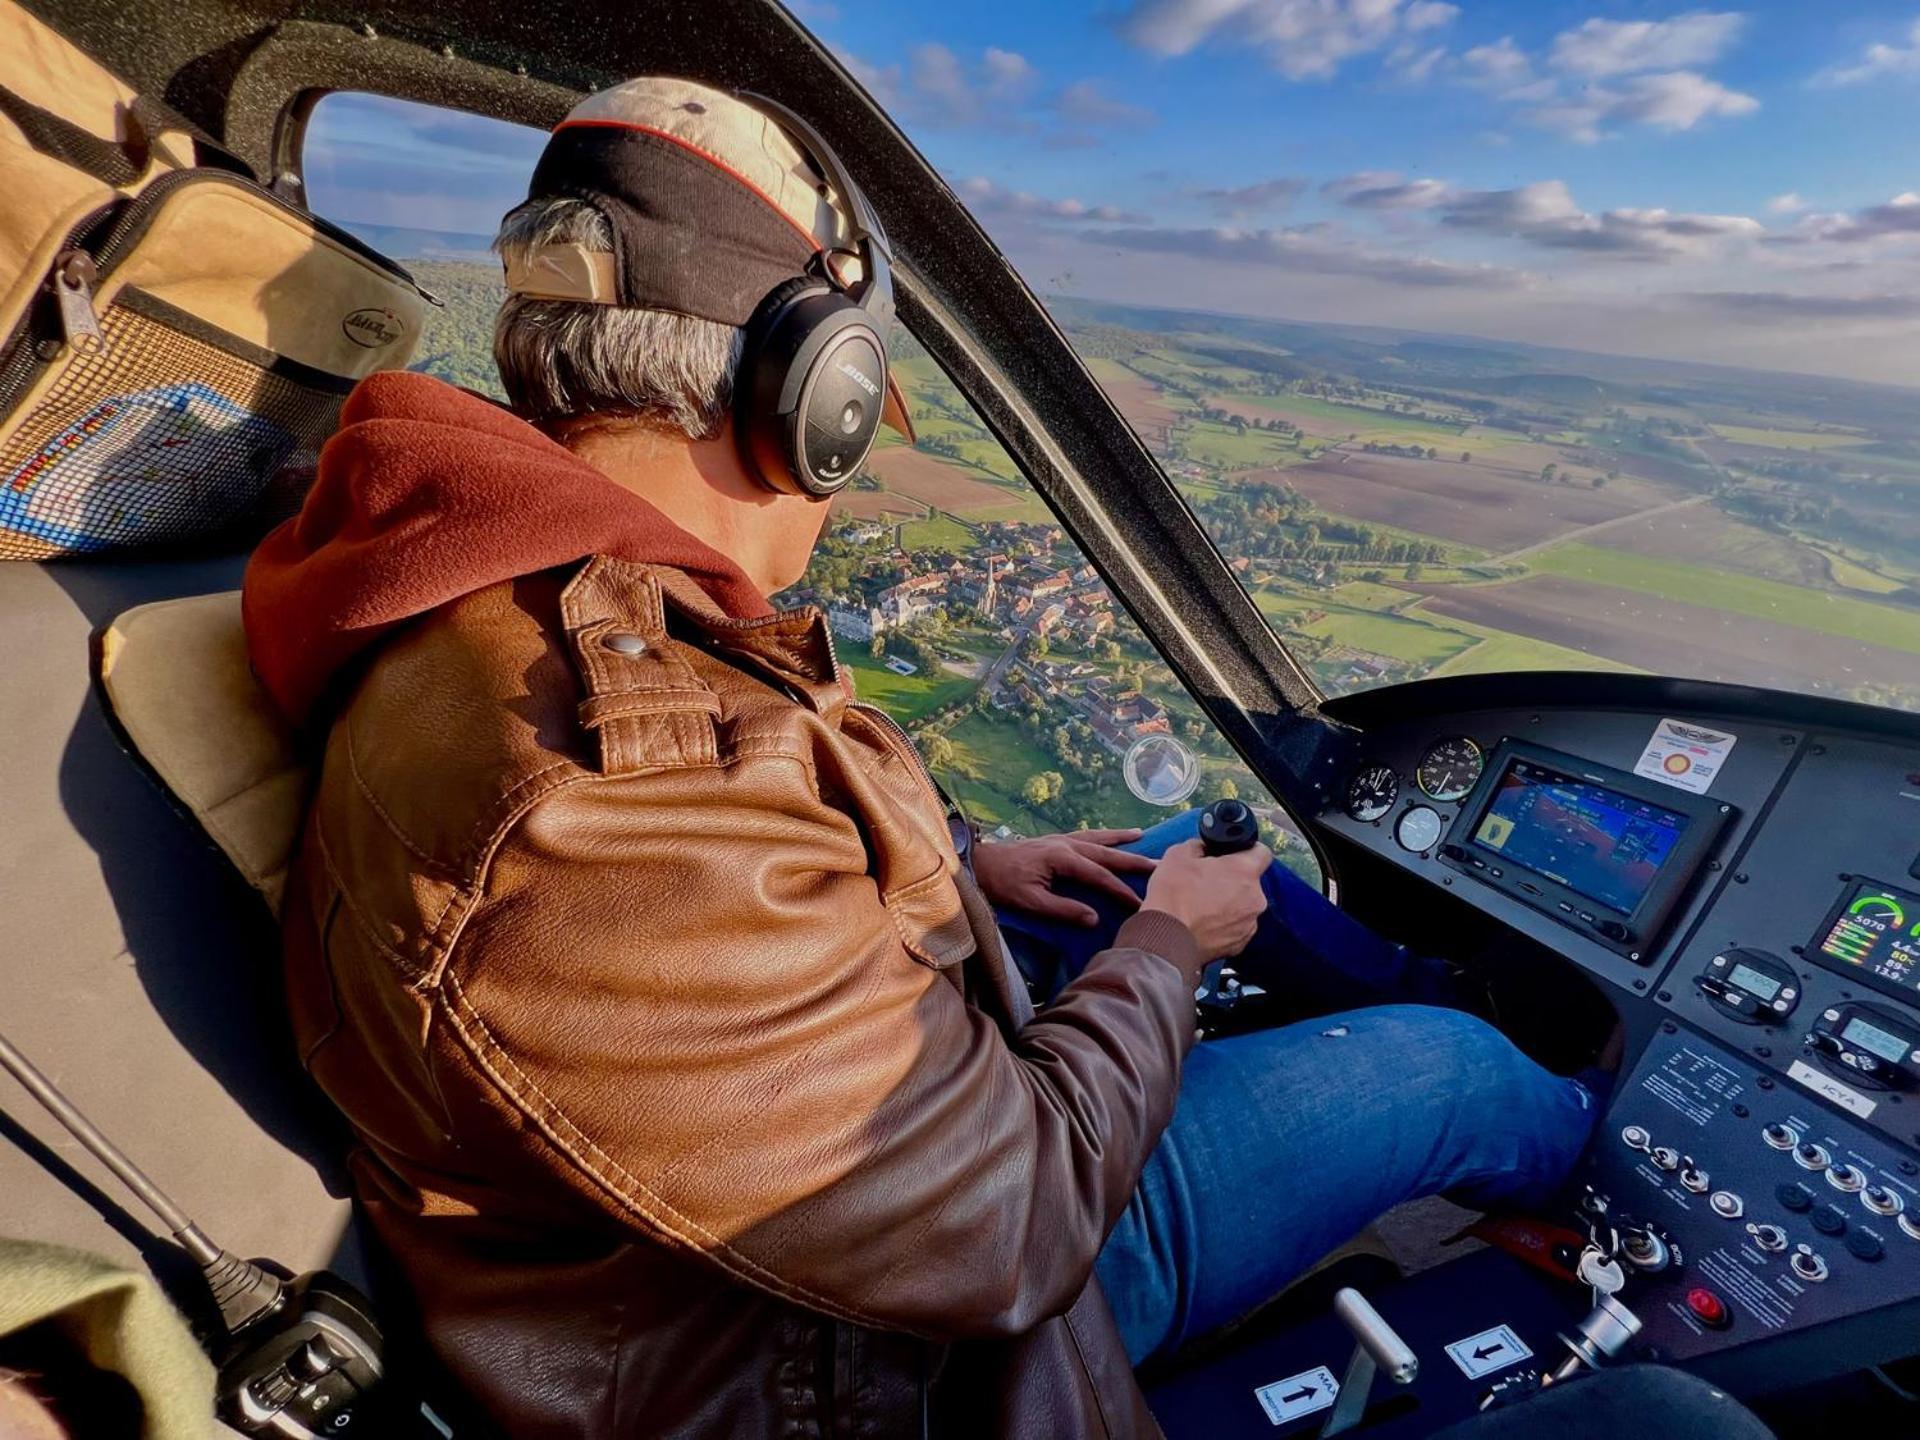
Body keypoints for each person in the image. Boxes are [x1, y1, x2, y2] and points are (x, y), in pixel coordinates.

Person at [242, 79, 1599, 1439]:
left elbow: (712, 922)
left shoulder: (495, 592)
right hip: (892, 1360)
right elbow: (1013, 1235)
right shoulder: (602, 798)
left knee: (1160, 881)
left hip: (786, 1236)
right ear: (808, 396)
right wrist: (1168, 955)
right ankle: (1609, 1136)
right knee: (1448, 1070)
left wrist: (959, 871)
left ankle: (1447, 1001)